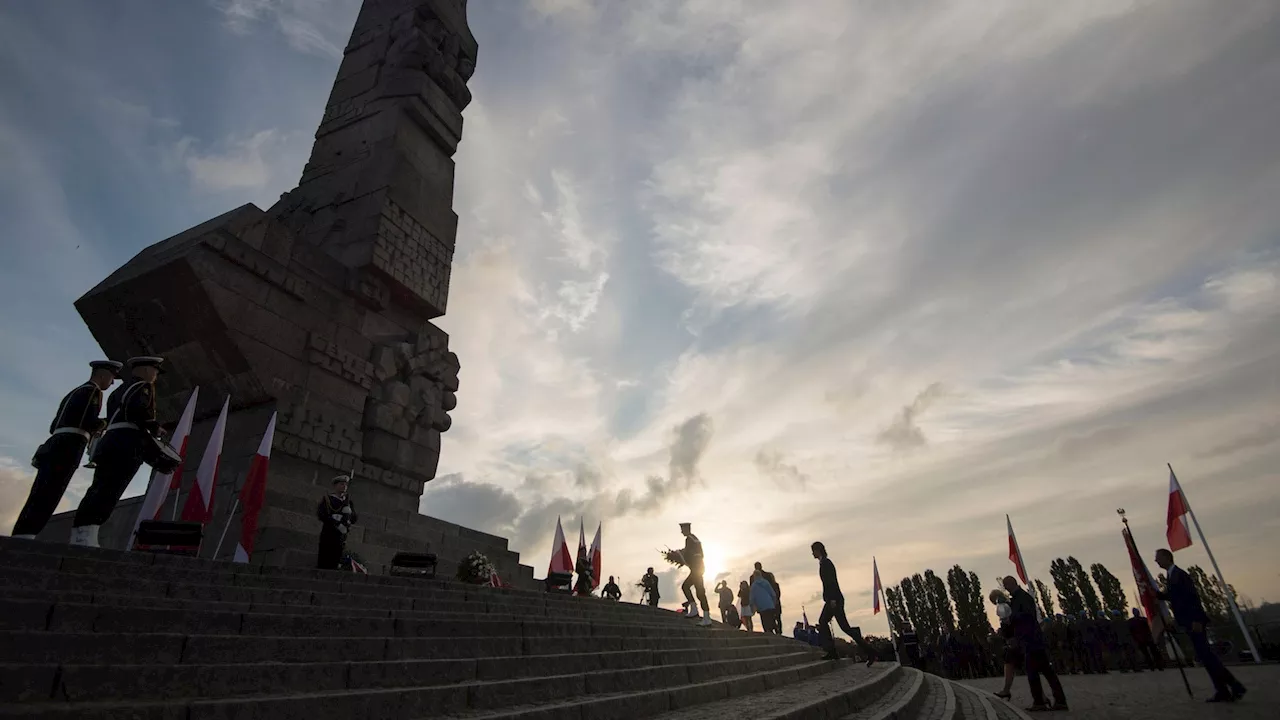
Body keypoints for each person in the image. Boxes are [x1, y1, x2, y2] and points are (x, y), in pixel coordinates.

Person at [11, 361, 122, 539]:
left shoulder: (76, 391)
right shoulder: (93, 391)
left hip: (57, 441)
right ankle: (28, 533)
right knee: (52, 490)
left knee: (42, 489)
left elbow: (54, 425)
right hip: (70, 445)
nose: (112, 383)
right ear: (102, 375)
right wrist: (105, 423)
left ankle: (23, 531)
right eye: (112, 378)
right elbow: (88, 420)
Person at [71, 357, 165, 547]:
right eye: (155, 371)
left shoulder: (119, 390)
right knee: (111, 490)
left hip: (111, 442)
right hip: (127, 443)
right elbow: (138, 411)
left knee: (99, 487)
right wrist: (154, 427)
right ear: (146, 370)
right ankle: (87, 532)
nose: (155, 376)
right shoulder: (143, 387)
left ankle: (82, 532)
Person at [1155, 548, 1247, 703]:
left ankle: (1235, 686)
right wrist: (1157, 595)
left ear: (1166, 557)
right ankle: (1223, 690)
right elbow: (1175, 597)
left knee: (1208, 657)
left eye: (1158, 557)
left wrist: (1197, 619)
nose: (1156, 561)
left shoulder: (1180, 574)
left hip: (1194, 622)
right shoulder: (1171, 576)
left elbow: (1192, 598)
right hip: (1188, 621)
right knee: (1206, 658)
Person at [1003, 576, 1068, 712]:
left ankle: (1040, 702)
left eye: (1006, 584)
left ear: (1012, 583)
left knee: (1035, 672)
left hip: (1031, 639)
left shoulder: (1023, 597)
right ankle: (1057, 701)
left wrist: (1011, 618)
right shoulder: (1016, 598)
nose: (1005, 588)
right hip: (1029, 640)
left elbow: (1028, 615)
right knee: (1045, 671)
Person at [810, 542, 875, 665]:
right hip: (832, 599)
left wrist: (832, 599)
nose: (812, 553)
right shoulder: (823, 563)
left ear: (818, 550)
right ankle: (833, 651)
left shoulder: (826, 563)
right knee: (826, 622)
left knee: (838, 626)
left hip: (834, 599)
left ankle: (869, 651)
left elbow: (831, 581)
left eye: (813, 551)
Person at [316, 474, 357, 570]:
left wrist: (349, 514)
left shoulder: (348, 502)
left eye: (346, 485)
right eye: (341, 484)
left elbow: (354, 519)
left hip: (341, 535)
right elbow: (321, 514)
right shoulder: (328, 499)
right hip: (329, 532)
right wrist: (336, 522)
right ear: (335, 486)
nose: (344, 486)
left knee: (336, 558)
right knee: (325, 558)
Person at [677, 522, 712, 626]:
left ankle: (698, 612)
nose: (681, 531)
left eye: (682, 529)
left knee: (687, 587)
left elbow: (688, 554)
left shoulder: (689, 539)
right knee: (699, 592)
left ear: (687, 529)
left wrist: (680, 555)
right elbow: (700, 554)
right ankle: (703, 615)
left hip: (696, 568)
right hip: (700, 567)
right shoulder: (695, 539)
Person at [989, 589, 1017, 701]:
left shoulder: (1002, 605)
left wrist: (1008, 636)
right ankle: (1006, 689)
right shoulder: (1008, 603)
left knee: (1011, 663)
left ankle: (1006, 690)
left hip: (1014, 639)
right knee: (1009, 662)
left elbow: (1006, 621)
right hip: (1014, 637)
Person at [754, 562, 782, 634]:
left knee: (771, 616)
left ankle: (774, 630)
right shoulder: (753, 578)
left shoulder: (767, 576)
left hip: (768, 599)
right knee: (766, 616)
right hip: (764, 600)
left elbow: (772, 588)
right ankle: (770, 630)